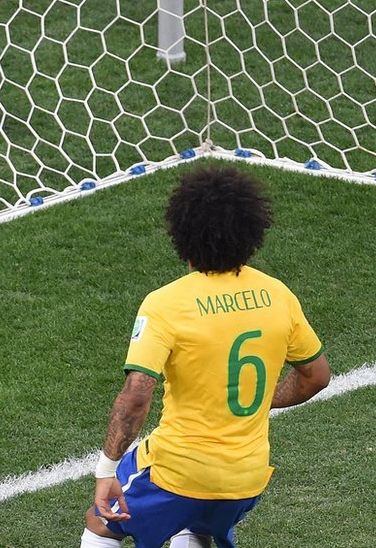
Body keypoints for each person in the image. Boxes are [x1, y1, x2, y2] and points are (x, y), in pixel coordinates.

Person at [79, 166, 332, 548]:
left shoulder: (166, 304)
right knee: (195, 524)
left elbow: (136, 397)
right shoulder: (277, 294)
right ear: (251, 231)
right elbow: (316, 376)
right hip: (247, 479)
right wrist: (264, 400)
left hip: (180, 470)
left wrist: (106, 469)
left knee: (102, 521)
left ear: (182, 232)